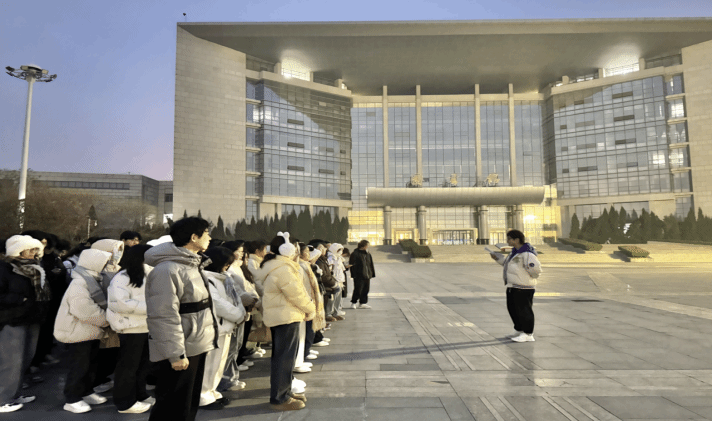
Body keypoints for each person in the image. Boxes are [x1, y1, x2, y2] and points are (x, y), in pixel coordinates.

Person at [144, 216, 218, 421]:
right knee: (172, 404)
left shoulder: (192, 264)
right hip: (181, 346)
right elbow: (163, 315)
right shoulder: (167, 269)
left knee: (188, 401)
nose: (210, 238)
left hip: (196, 342)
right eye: (207, 233)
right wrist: (175, 353)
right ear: (194, 237)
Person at [254, 232, 315, 411]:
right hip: (286, 316)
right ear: (286, 250)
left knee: (284, 357)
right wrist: (310, 308)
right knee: (284, 359)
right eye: (295, 248)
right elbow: (297, 294)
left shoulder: (276, 265)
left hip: (283, 315)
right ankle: (280, 398)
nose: (297, 251)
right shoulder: (283, 269)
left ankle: (285, 392)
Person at [54, 248, 114, 414]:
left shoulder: (92, 280)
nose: (106, 266)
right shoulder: (79, 283)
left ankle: (86, 391)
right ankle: (72, 398)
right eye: (104, 262)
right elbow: (84, 310)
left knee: (90, 363)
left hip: (90, 330)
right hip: (77, 331)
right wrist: (106, 320)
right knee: (79, 366)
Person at [0, 235, 48, 413]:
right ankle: (3, 399)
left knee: (25, 358)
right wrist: (20, 299)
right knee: (11, 361)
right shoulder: (5, 268)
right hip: (12, 319)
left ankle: (14, 393)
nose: (34, 253)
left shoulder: (35, 268)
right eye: (30, 249)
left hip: (32, 318)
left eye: (36, 249)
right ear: (18, 250)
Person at [106, 244, 155, 414]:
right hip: (129, 328)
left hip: (146, 326)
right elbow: (120, 303)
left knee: (143, 365)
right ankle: (124, 402)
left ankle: (140, 394)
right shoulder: (122, 277)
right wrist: (152, 307)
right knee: (128, 367)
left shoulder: (149, 272)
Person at [199, 246, 246, 410]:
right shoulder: (207, 279)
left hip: (225, 327)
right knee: (210, 365)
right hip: (215, 328)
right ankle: (203, 396)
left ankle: (212, 392)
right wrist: (238, 315)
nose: (227, 267)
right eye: (226, 263)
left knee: (218, 365)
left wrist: (241, 312)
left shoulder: (223, 278)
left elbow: (233, 299)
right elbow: (218, 303)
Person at [489, 229, 542, 343]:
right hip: (513, 286)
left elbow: (536, 269)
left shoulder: (527, 253)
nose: (507, 241)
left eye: (509, 239)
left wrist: (527, 279)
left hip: (524, 287)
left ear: (517, 240)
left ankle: (528, 334)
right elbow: (506, 265)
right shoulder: (514, 253)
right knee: (513, 309)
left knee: (524, 310)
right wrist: (497, 258)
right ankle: (519, 330)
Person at [349, 240, 376, 309]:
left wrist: (371, 273)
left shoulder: (368, 254)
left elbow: (370, 264)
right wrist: (353, 275)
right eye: (367, 245)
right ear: (363, 246)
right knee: (358, 289)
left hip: (367, 275)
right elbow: (351, 265)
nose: (368, 246)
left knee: (366, 289)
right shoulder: (355, 254)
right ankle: (353, 302)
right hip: (358, 275)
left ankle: (363, 303)